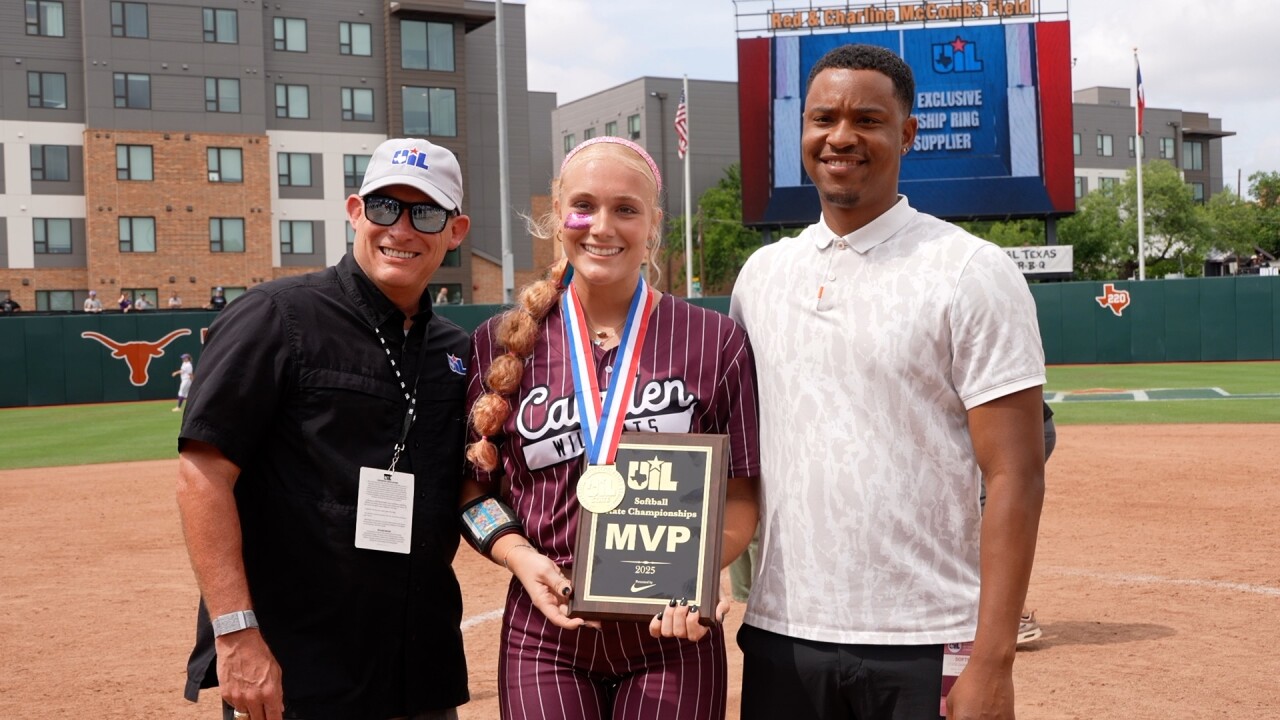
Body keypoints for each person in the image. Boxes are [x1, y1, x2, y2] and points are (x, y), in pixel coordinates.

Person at [728, 44, 1046, 720]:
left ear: (906, 133)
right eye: (823, 118)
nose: (841, 136)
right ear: (802, 131)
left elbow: (1017, 472)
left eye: (867, 120)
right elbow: (741, 458)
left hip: (925, 635)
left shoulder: (971, 271)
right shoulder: (760, 276)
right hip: (784, 630)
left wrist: (993, 660)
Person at [461, 135, 760, 720]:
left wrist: (691, 578)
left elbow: (742, 496)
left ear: (654, 225)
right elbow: (472, 493)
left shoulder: (715, 340)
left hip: (671, 636)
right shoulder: (499, 343)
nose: (602, 226)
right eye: (584, 206)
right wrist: (519, 555)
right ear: (556, 218)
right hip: (544, 632)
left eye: (626, 208)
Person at [176, 137, 473, 720]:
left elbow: (471, 487)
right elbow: (202, 474)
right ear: (356, 212)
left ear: (455, 230)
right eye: (386, 207)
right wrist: (235, 635)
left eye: (426, 212)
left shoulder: (455, 352)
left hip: (419, 671)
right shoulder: (277, 316)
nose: (402, 229)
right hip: (296, 671)